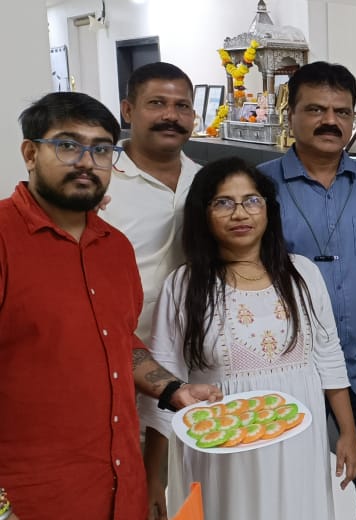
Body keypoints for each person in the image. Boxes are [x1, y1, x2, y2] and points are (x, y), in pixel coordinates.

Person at [0, 92, 220, 520]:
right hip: (31, 496)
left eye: (101, 149)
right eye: (68, 145)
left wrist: (173, 389)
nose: (87, 162)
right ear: (30, 153)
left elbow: (119, 339)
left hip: (119, 485)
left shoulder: (114, 247)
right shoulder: (5, 239)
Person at [138, 157, 356, 520]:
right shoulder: (185, 285)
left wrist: (347, 433)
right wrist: (152, 477)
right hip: (222, 448)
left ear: (268, 210)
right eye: (223, 202)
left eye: (252, 200)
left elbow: (329, 358)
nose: (240, 213)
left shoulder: (302, 273)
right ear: (202, 214)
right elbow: (163, 385)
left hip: (298, 442)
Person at [259, 61, 356, 520]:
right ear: (290, 115)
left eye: (342, 112)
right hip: (288, 371)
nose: (330, 121)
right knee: (288, 486)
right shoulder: (259, 188)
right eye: (316, 109)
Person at [102, 62, 202, 343]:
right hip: (121, 345)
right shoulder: (99, 180)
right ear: (127, 110)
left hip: (194, 346)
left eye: (182, 106)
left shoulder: (204, 182)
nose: (171, 115)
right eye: (156, 103)